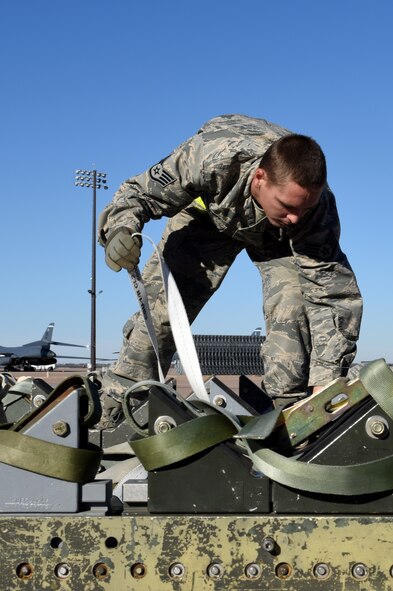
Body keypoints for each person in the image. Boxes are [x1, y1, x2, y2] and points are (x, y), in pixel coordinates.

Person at [97, 114, 363, 428]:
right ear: (260, 178)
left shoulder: (313, 214)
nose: (295, 217)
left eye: (303, 208)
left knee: (293, 312)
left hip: (276, 242)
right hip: (208, 218)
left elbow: (331, 296)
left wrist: (327, 387)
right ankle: (115, 411)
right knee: (163, 312)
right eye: (288, 206)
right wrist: (120, 230)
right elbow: (139, 193)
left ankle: (294, 419)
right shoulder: (213, 155)